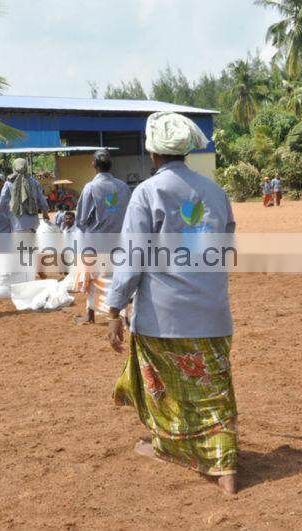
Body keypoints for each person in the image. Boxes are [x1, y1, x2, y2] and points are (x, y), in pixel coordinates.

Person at [104, 112, 239, 494]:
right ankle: (224, 467)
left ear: (152, 152)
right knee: (214, 391)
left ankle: (170, 448)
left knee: (165, 391)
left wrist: (114, 311)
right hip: (212, 311)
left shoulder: (147, 193)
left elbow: (132, 257)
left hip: (165, 317)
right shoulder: (214, 191)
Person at [72, 149, 132, 325]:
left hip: (97, 242)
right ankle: (124, 314)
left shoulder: (91, 187)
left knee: (94, 278)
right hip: (120, 241)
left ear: (94, 165)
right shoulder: (122, 186)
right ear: (110, 165)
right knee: (120, 278)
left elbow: (81, 219)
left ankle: (90, 315)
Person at [0, 158, 50, 233]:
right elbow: (42, 200)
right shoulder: (34, 182)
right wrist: (45, 213)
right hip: (34, 224)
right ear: (26, 167)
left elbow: (1, 201)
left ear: (14, 167)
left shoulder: (9, 183)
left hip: (17, 224)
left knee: (20, 244)